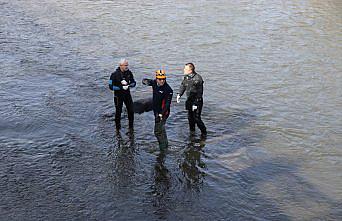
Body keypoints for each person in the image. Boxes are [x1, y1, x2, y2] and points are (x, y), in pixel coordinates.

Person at [142, 69, 173, 150]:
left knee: (157, 131)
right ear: (156, 78)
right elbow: (145, 80)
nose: (162, 81)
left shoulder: (168, 90)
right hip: (156, 110)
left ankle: (163, 149)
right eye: (160, 79)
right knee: (160, 130)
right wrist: (145, 81)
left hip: (163, 112)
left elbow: (167, 104)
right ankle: (164, 145)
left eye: (163, 79)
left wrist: (161, 114)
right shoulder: (154, 83)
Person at [176, 63, 207, 136]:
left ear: (190, 70)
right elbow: (183, 85)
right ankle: (192, 133)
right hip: (189, 99)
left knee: (196, 118)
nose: (184, 70)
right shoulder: (186, 77)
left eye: (185, 69)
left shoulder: (198, 79)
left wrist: (195, 104)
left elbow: (200, 92)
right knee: (190, 118)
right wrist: (179, 94)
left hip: (197, 101)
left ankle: (204, 133)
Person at [109, 58, 136, 130]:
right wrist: (121, 87)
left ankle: (131, 127)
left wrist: (130, 85)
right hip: (118, 96)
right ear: (120, 65)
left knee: (131, 110)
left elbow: (134, 82)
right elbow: (110, 86)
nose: (127, 67)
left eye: (127, 65)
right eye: (125, 65)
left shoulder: (129, 73)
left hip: (127, 95)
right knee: (118, 111)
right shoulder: (114, 75)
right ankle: (117, 129)